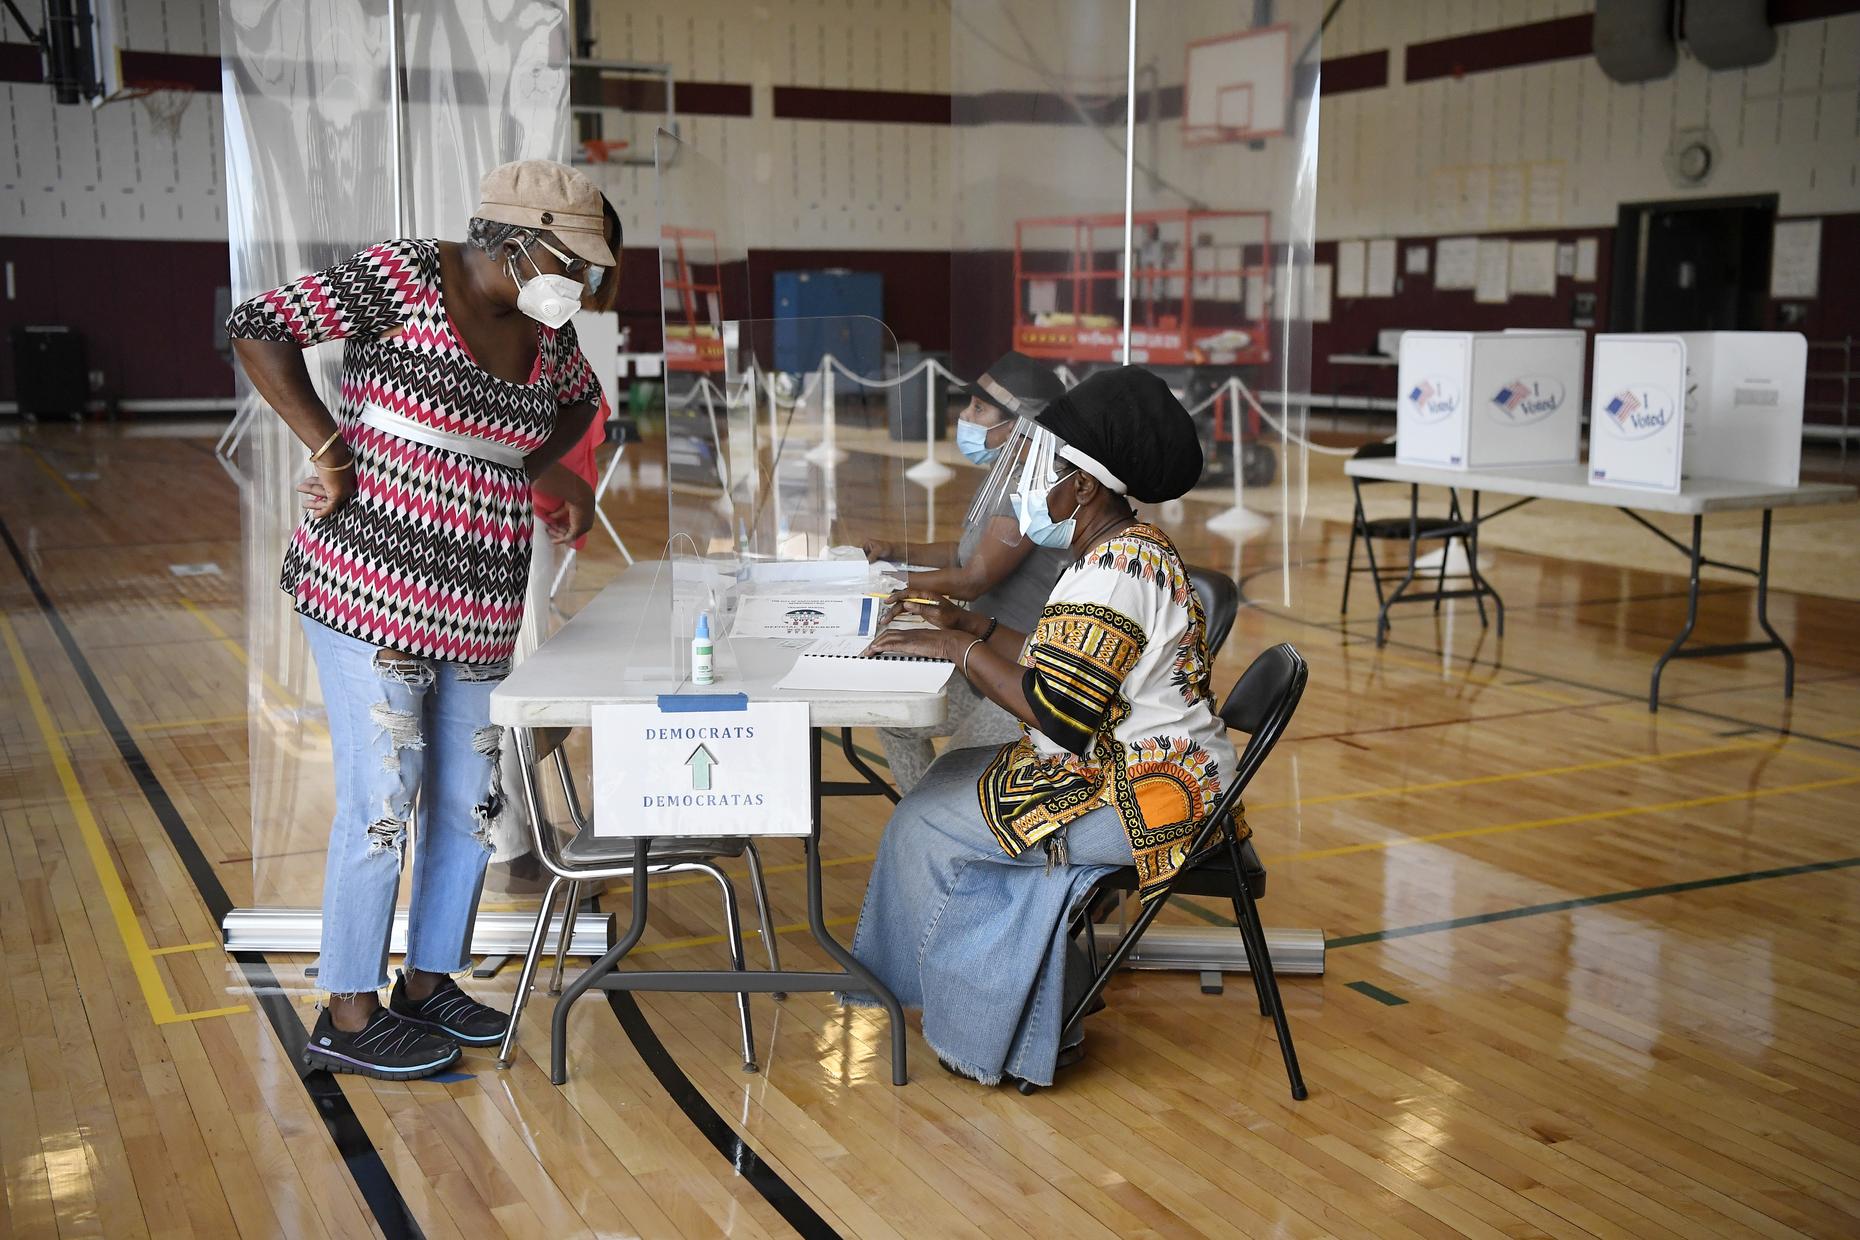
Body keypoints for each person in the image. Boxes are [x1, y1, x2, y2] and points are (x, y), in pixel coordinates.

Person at [227, 159, 612, 1080]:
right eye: (572, 258)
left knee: (471, 805)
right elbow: (259, 326)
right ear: (515, 240)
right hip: (370, 591)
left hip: (481, 599)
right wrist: (328, 446)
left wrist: (521, 464)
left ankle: (428, 982)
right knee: (381, 805)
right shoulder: (405, 273)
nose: (582, 283)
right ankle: (349, 1013)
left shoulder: (541, 325)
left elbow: (580, 407)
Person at [847, 365, 1236, 1088]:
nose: (1027, 487)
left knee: (928, 818)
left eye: (1041, 472)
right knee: (945, 786)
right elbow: (1064, 665)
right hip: (1131, 773)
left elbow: (1063, 710)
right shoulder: (1114, 551)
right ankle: (971, 1012)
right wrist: (976, 625)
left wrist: (959, 649)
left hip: (1147, 797)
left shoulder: (1116, 571)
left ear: (1083, 487)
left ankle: (940, 1007)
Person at [860, 351, 1069, 792]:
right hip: (980, 651)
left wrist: (894, 581)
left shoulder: (1035, 486)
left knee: (952, 778)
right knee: (894, 717)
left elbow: (974, 578)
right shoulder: (1005, 472)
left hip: (1022, 672)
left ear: (1018, 422)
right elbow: (964, 554)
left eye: (978, 408)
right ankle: (924, 826)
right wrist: (894, 552)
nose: (964, 416)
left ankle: (934, 825)